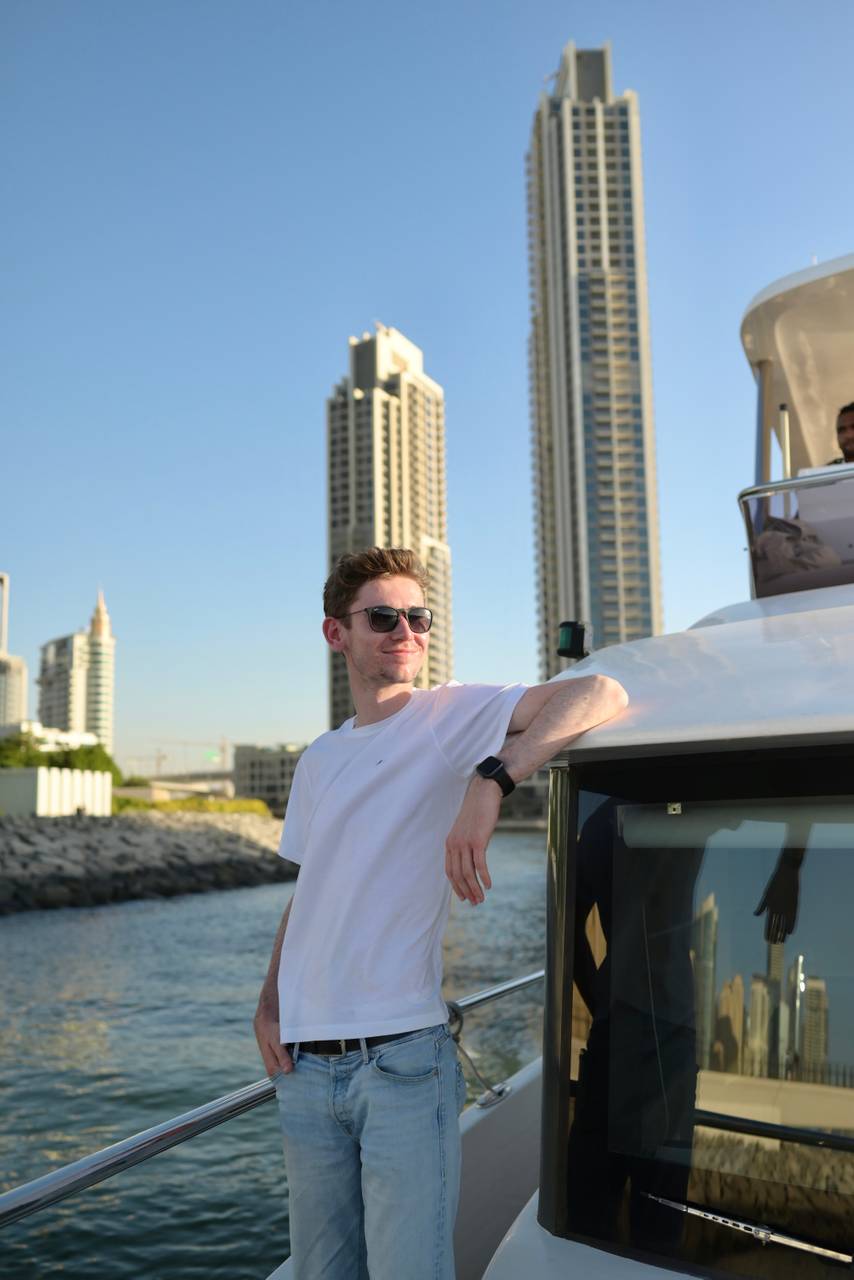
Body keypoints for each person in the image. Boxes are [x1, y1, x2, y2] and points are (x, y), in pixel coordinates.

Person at [254, 546, 628, 1280]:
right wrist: (270, 1002)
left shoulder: (447, 715)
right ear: (337, 634)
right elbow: (311, 892)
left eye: (417, 618)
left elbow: (599, 692)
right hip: (302, 1067)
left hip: (399, 1061)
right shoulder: (319, 758)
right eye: (382, 618)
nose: (405, 632)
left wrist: (492, 781)